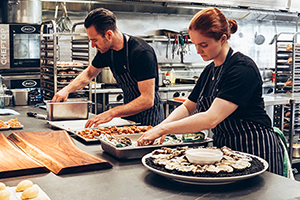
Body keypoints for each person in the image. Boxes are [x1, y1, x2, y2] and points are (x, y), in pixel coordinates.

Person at [137, 7, 284, 175]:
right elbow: (187, 107)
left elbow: (211, 119)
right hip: (227, 151)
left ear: (222, 39)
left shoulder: (242, 68)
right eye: (195, 45)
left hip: (256, 147)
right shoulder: (209, 71)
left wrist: (164, 130)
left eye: (203, 45)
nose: (198, 51)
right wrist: (159, 127)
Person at [51, 8, 164, 127]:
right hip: (129, 117)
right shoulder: (106, 51)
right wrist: (66, 90)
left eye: (95, 40)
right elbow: (89, 74)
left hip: (150, 119)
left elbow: (147, 100)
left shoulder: (141, 52)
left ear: (109, 34)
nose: (93, 45)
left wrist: (111, 113)